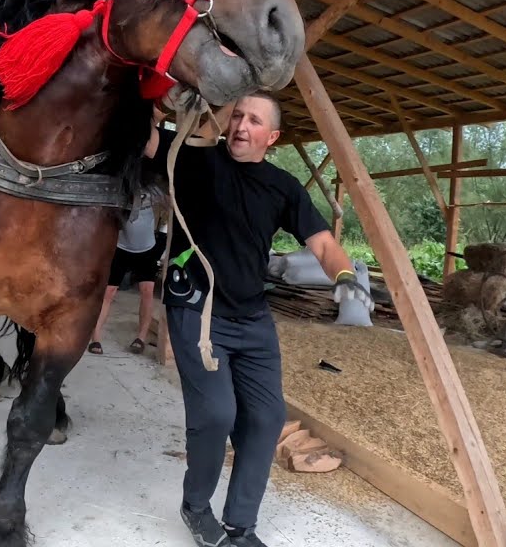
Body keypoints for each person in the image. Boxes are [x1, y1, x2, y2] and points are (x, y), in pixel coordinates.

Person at [146, 92, 371, 547]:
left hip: (252, 318)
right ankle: (195, 505)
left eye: (253, 120)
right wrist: (155, 100)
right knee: (216, 413)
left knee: (267, 418)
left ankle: (241, 525)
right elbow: (146, 142)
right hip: (198, 310)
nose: (240, 125)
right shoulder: (195, 161)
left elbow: (325, 246)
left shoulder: (283, 187)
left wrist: (345, 276)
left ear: (272, 136)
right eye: (237, 115)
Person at [88, 181, 167, 355]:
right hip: (121, 247)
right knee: (109, 292)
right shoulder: (122, 186)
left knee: (147, 292)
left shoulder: (153, 188)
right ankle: (96, 337)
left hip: (147, 248)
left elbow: (171, 202)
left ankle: (141, 338)